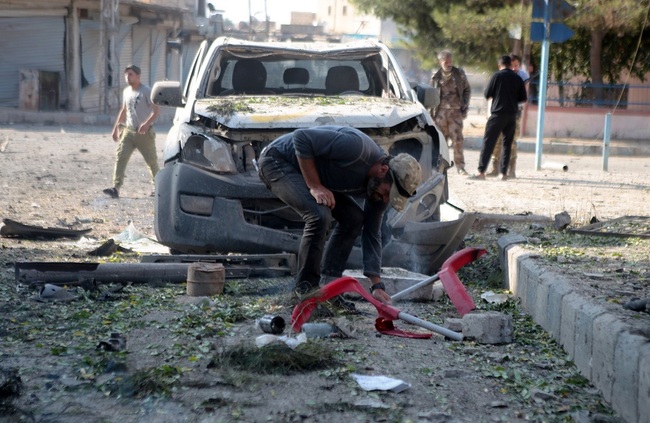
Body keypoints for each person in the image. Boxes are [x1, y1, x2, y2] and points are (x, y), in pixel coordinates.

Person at [257, 126, 422, 306]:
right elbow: (301, 137)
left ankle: (329, 290)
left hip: (307, 172)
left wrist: (377, 284)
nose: (383, 199)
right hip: (277, 161)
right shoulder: (356, 148)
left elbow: (372, 231)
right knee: (319, 215)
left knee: (354, 218)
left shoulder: (381, 186)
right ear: (383, 170)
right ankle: (305, 293)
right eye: (386, 193)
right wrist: (315, 186)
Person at [103, 64, 160, 198]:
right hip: (128, 131)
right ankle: (116, 188)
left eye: (130, 74)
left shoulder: (146, 91)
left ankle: (158, 187)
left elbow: (156, 111)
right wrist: (115, 129)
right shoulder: (126, 91)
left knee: (151, 162)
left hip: (144, 134)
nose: (127, 77)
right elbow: (123, 110)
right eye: (126, 74)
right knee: (120, 158)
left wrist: (146, 124)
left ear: (138, 76)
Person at [471, 55, 527, 180]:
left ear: (499, 65)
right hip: (512, 115)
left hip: (498, 114)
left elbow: (487, 94)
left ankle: (481, 172)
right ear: (510, 64)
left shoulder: (497, 76)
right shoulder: (517, 78)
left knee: (488, 142)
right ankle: (503, 173)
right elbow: (523, 98)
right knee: (507, 144)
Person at [486, 53, 529, 178]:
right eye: (512, 66)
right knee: (496, 141)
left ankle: (511, 169)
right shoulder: (501, 76)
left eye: (516, 66)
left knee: (511, 142)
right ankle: (495, 168)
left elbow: (523, 98)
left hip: (514, 113)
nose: (514, 68)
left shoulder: (522, 76)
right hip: (499, 112)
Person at [429, 50, 471, 175]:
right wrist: (431, 113)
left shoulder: (459, 74)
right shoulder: (435, 77)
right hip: (440, 114)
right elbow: (431, 95)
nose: (448, 63)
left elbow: (467, 89)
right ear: (440, 61)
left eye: (450, 61)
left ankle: (460, 167)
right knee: (441, 142)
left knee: (458, 140)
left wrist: (464, 103)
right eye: (446, 61)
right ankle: (439, 168)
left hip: (455, 113)